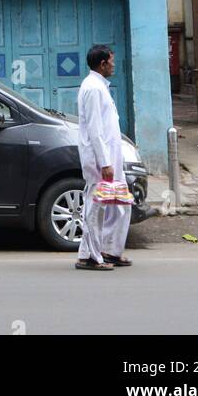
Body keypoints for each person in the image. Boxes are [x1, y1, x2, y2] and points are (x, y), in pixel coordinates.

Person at [75, 44, 132, 271]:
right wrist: (104, 162)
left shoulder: (99, 86)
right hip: (100, 160)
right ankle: (90, 256)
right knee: (95, 207)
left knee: (120, 204)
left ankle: (111, 250)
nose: (114, 65)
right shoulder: (93, 89)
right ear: (102, 64)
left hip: (111, 156)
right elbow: (95, 129)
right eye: (111, 61)